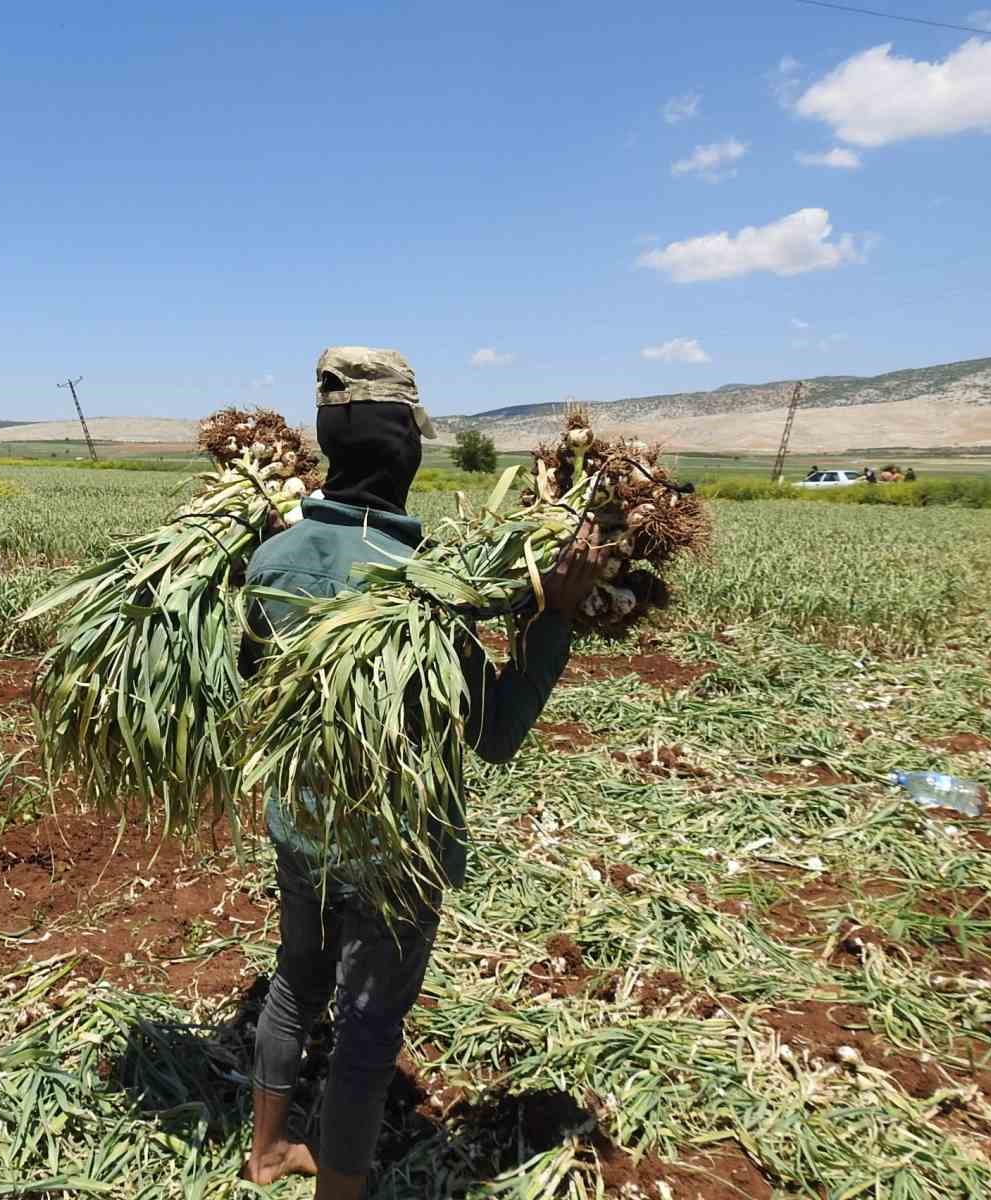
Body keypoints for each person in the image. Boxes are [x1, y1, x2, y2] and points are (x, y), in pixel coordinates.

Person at [237, 347, 607, 1199]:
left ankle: (265, 1153)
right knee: (367, 1028)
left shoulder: (271, 560)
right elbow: (499, 734)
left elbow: (255, 684)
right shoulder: (428, 586)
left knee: (296, 978)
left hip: (299, 818)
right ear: (405, 446)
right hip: (397, 847)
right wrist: (552, 618)